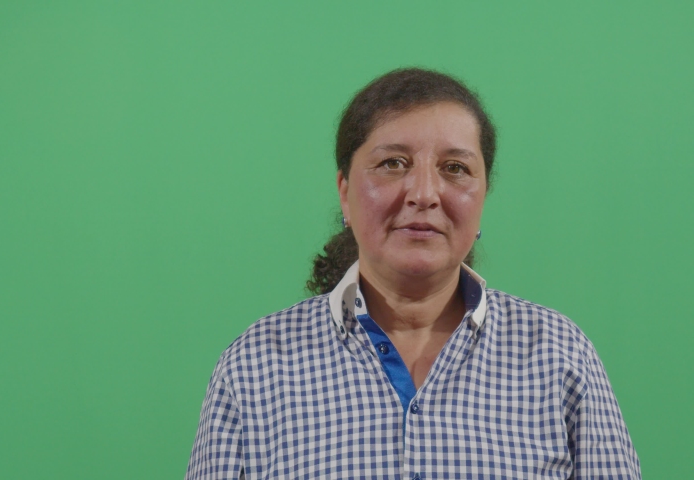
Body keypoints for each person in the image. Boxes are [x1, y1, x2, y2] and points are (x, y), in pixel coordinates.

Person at [186, 68, 640, 479]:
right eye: (393, 163)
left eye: (455, 168)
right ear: (344, 192)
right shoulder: (253, 369)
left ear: (482, 198)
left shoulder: (559, 357)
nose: (424, 193)